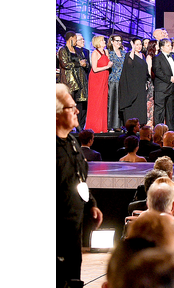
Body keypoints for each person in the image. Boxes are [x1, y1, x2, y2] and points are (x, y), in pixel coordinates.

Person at [57, 83, 103, 286]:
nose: (77, 111)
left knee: (74, 275)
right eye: (71, 107)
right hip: (56, 229)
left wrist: (91, 204)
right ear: (56, 113)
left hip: (74, 230)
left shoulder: (73, 142)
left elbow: (79, 180)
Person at [59, 31, 89, 130]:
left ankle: (79, 127)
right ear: (71, 38)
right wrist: (79, 64)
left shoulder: (77, 51)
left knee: (80, 105)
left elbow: (84, 62)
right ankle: (67, 126)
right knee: (69, 105)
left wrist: (84, 64)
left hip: (79, 81)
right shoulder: (63, 50)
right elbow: (65, 64)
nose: (77, 41)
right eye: (76, 38)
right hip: (69, 82)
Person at [83, 35, 112, 133]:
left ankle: (102, 127)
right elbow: (95, 69)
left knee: (103, 102)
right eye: (103, 41)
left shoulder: (106, 52)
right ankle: (94, 127)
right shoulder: (95, 53)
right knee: (96, 102)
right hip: (96, 79)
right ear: (98, 42)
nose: (104, 42)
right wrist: (107, 66)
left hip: (104, 79)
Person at [119, 38, 149, 125]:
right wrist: (132, 48)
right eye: (137, 44)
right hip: (133, 84)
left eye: (140, 44)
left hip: (141, 84)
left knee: (140, 104)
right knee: (133, 104)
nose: (139, 46)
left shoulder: (142, 56)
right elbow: (129, 64)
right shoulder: (130, 54)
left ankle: (141, 122)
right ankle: (132, 124)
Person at [152, 38, 174, 127]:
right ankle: (158, 130)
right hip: (162, 88)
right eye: (168, 45)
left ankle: (171, 131)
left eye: (170, 45)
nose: (170, 47)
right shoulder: (157, 58)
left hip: (173, 88)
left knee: (170, 111)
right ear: (162, 47)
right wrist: (169, 79)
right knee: (159, 110)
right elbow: (158, 71)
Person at [106, 34, 126, 131]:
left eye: (120, 41)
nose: (119, 42)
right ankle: (111, 125)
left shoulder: (124, 53)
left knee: (121, 104)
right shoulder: (109, 53)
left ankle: (119, 125)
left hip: (122, 81)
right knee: (113, 103)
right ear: (112, 42)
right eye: (117, 40)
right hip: (113, 80)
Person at [144, 40, 158, 126]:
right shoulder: (150, 57)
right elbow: (148, 71)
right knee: (150, 102)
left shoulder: (159, 55)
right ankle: (149, 122)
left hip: (157, 82)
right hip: (151, 82)